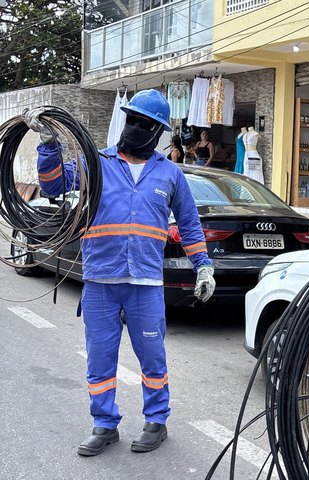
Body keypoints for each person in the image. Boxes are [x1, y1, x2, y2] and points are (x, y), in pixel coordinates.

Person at [22, 89, 217, 457]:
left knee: (152, 357)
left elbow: (190, 225)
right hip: (100, 281)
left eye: (145, 124)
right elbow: (53, 184)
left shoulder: (170, 174)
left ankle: (156, 421)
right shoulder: (98, 163)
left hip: (145, 283)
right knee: (100, 358)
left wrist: (203, 267)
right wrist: (48, 144)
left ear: (158, 132)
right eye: (133, 120)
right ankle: (104, 424)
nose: (136, 127)